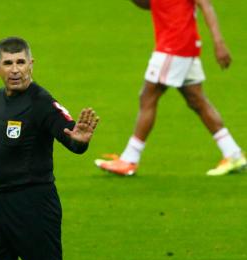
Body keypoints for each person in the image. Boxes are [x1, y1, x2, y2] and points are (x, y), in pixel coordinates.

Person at [0, 37, 99, 260]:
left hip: (33, 207)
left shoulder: (42, 103)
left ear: (31, 64)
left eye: (21, 62)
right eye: (8, 63)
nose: (15, 70)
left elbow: (68, 134)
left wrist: (79, 140)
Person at [95, 0, 245, 176]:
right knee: (197, 100)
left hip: (174, 46)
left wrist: (219, 42)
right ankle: (233, 153)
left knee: (148, 97)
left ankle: (129, 160)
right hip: (182, 46)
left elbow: (206, 4)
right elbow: (149, 4)